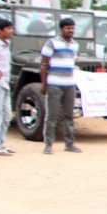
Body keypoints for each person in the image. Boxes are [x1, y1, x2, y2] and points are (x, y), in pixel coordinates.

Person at [41, 16, 81, 154]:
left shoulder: (75, 45)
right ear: (61, 29)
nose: (71, 30)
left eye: (72, 28)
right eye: (68, 28)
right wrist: (44, 84)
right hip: (54, 83)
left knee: (69, 115)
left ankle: (69, 144)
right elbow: (44, 64)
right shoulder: (51, 43)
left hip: (69, 83)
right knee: (51, 116)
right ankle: (48, 144)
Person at [0, 17, 12, 156]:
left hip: (5, 84)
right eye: (8, 29)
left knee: (7, 115)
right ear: (0, 31)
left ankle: (0, 142)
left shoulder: (6, 44)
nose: (11, 31)